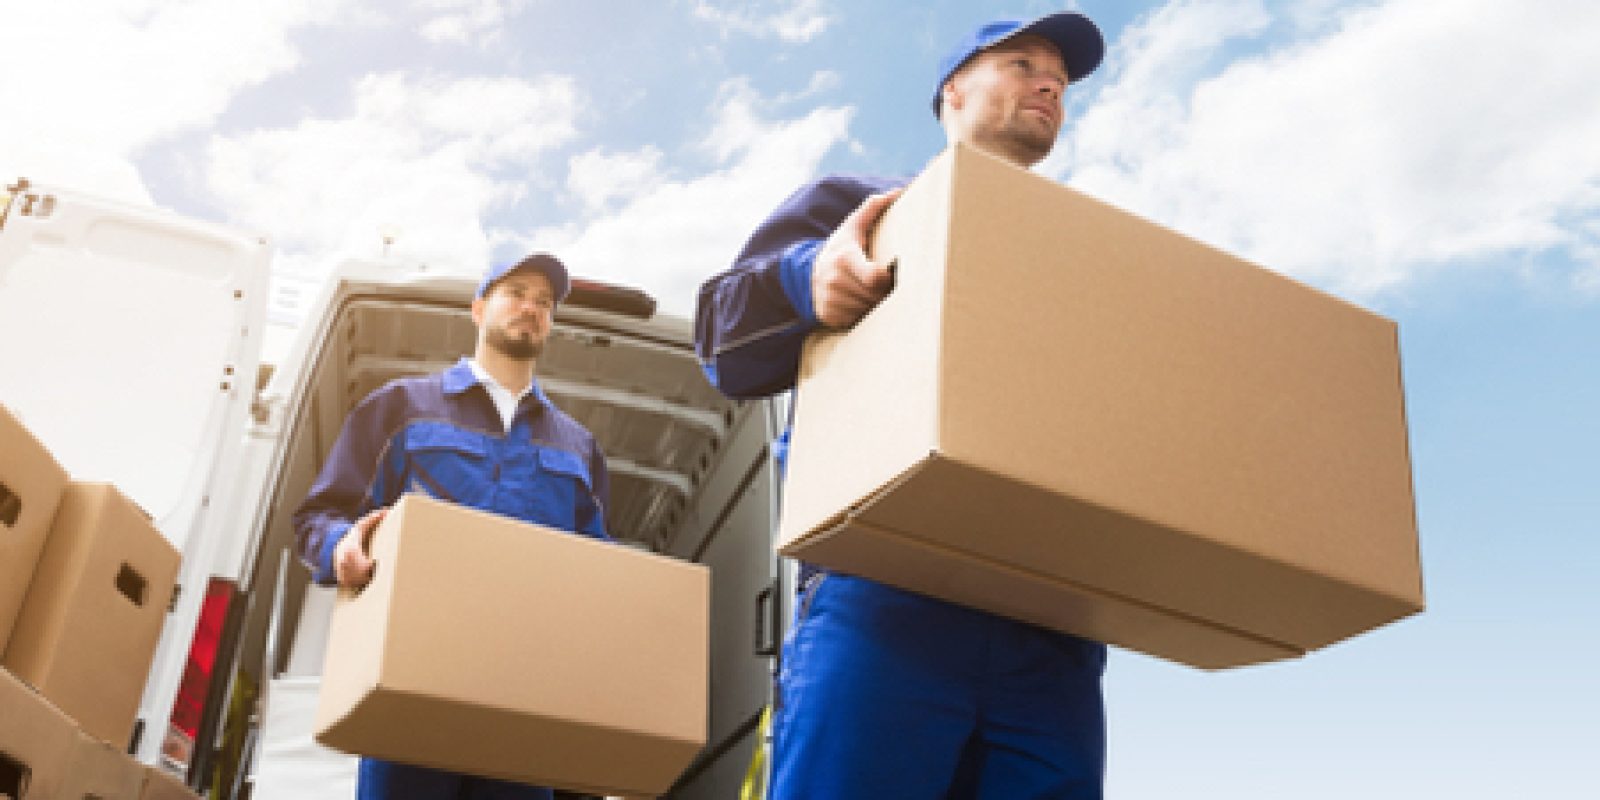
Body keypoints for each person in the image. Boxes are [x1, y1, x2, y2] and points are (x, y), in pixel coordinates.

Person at [695, 12, 1109, 800]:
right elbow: (720, 342)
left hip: (1052, 631)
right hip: (885, 600)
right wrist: (807, 277)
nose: (1049, 83)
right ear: (954, 91)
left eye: (1058, 77)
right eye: (1022, 63)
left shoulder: (1082, 260)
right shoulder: (862, 209)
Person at [294, 253, 610, 800]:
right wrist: (342, 546)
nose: (531, 309)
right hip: (409, 691)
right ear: (479, 307)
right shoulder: (401, 408)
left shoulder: (577, 446)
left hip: (524, 705)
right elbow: (317, 517)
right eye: (517, 293)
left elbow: (599, 569)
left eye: (545, 303)